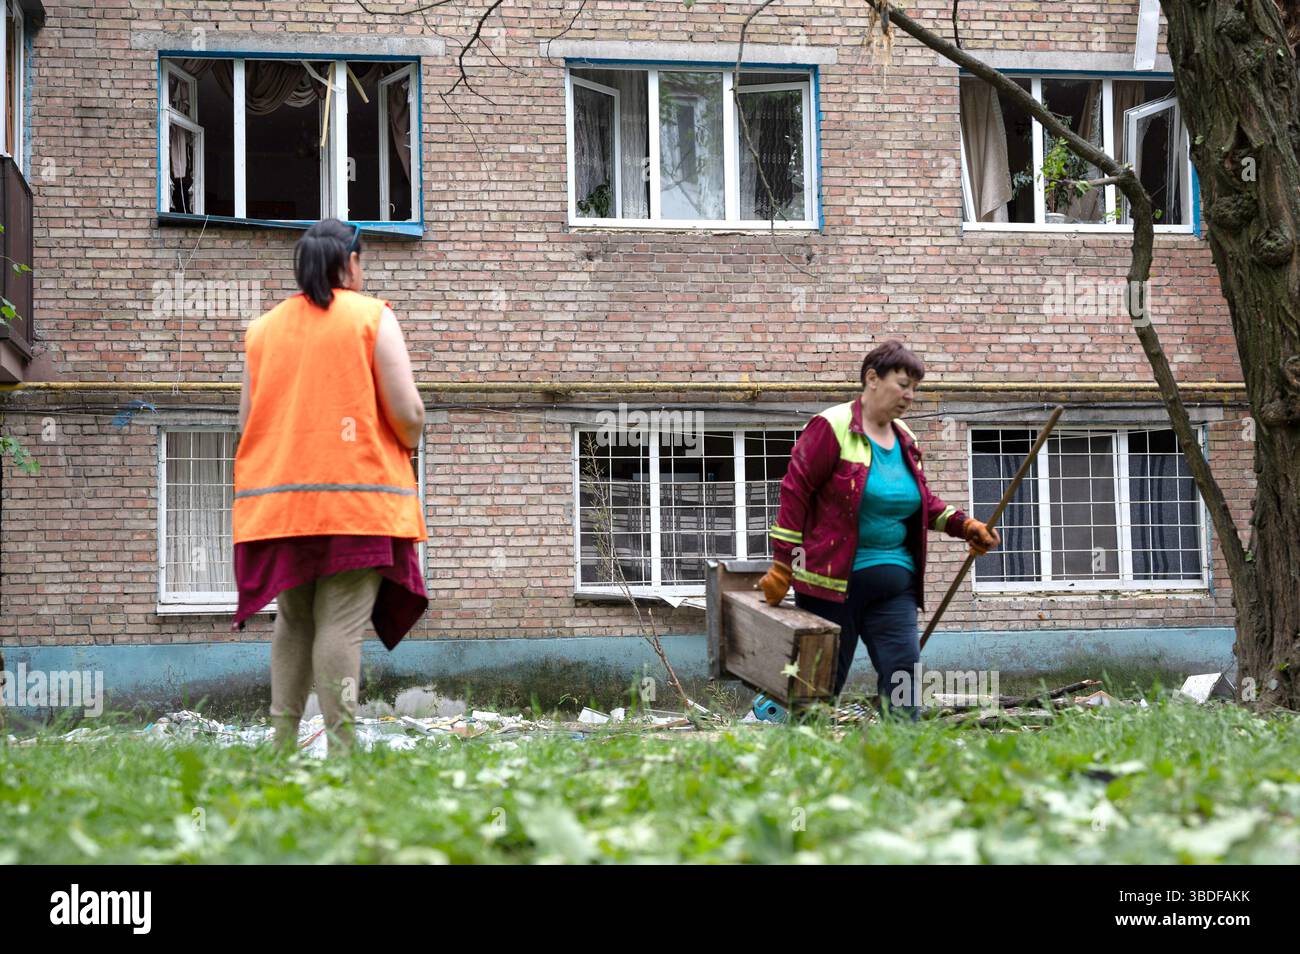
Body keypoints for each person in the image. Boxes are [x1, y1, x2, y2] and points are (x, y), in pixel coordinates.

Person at [232, 218, 429, 754]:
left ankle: (280, 746)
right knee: (341, 624)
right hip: (354, 505)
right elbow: (408, 412)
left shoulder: (264, 330)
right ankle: (343, 750)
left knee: (294, 620)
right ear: (351, 262)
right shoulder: (371, 318)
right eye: (363, 260)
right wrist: (408, 435)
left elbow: (248, 424)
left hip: (281, 508)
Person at [758, 340, 1001, 719]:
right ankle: (805, 761)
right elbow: (795, 494)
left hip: (895, 586)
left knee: (903, 674)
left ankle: (901, 761)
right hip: (830, 588)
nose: (910, 396)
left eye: (915, 388)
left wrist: (964, 524)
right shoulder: (831, 427)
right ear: (872, 378)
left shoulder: (905, 437)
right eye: (903, 384)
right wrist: (781, 566)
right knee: (819, 691)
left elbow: (919, 502)